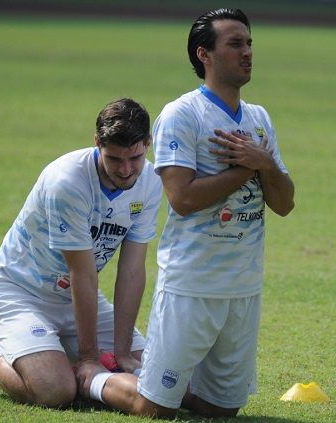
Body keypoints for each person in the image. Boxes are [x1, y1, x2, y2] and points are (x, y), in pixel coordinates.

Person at [76, 8, 295, 418]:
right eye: (235, 44)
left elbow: (284, 203)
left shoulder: (259, 119)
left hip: (244, 287)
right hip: (191, 285)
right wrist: (249, 166)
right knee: (152, 407)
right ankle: (89, 379)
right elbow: (183, 198)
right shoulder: (182, 115)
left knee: (221, 409)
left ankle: (158, 380)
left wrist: (264, 164)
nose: (247, 52)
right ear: (204, 54)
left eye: (249, 43)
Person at [0, 98, 162, 408]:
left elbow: (131, 271)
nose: (127, 170)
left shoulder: (150, 183)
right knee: (55, 391)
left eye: (136, 158)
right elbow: (82, 273)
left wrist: (123, 352)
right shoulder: (68, 181)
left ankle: (58, 352)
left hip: (73, 297)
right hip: (20, 293)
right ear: (97, 143)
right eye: (114, 159)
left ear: (148, 144)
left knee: (152, 374)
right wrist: (89, 358)